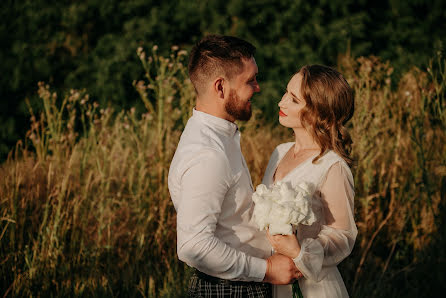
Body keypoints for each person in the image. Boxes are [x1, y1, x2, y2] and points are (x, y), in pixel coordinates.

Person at [168, 35, 300, 297]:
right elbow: (193, 245)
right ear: (220, 88)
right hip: (230, 290)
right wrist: (265, 270)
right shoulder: (208, 154)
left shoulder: (218, 135)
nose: (258, 87)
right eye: (250, 80)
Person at [262, 65, 357, 297]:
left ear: (318, 112)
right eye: (286, 93)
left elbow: (342, 235)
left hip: (312, 286)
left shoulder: (332, 165)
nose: (281, 103)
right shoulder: (279, 152)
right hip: (274, 281)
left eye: (293, 100)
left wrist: (300, 252)